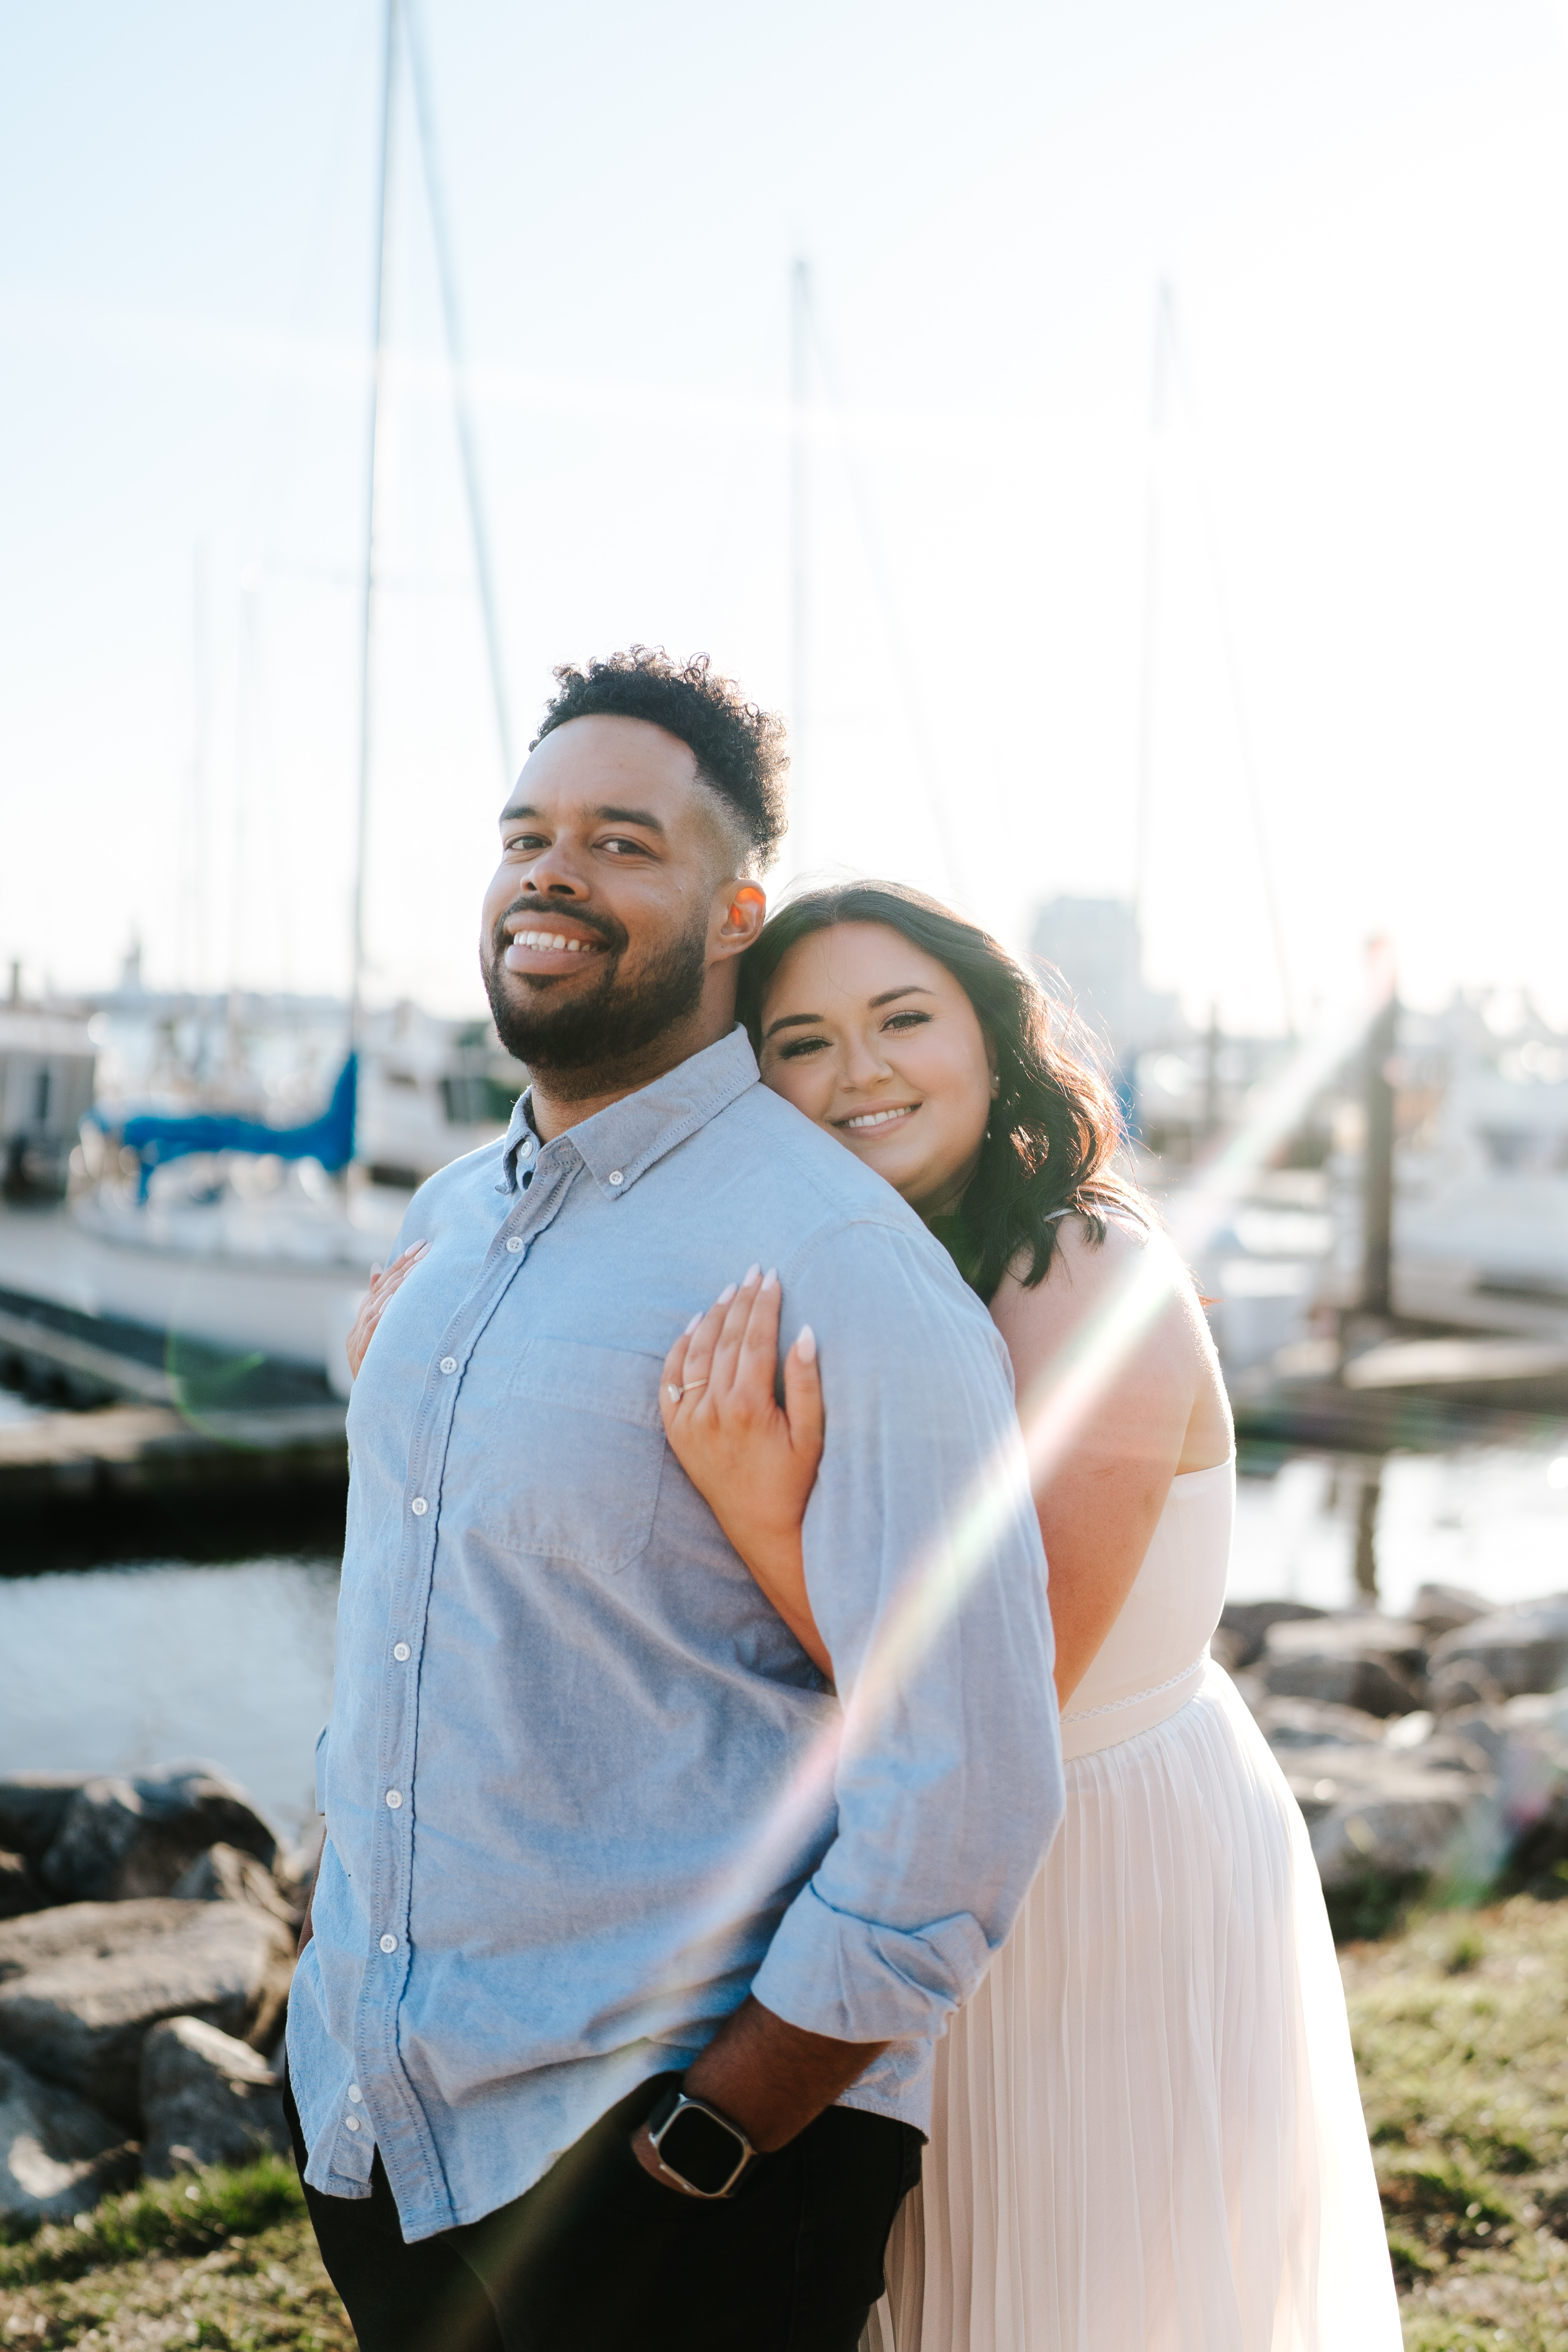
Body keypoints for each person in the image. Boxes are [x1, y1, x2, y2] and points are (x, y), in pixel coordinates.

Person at [287, 654, 1063, 2352]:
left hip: (669, 2175)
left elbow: (974, 1779)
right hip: (378, 2130)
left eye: (624, 842)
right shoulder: (442, 1231)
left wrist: (719, 2132)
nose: (551, 872)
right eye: (525, 833)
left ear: (736, 912)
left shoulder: (841, 1265)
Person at [659, 881, 1402, 2352]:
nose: (857, 1070)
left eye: (902, 1019)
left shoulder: (1093, 1270)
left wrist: (754, 1507)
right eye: (801, 1041)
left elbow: (1009, 1691)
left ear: (993, 1044)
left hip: (1097, 1858)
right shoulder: (843, 1271)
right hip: (892, 1868)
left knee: (1078, 2291)